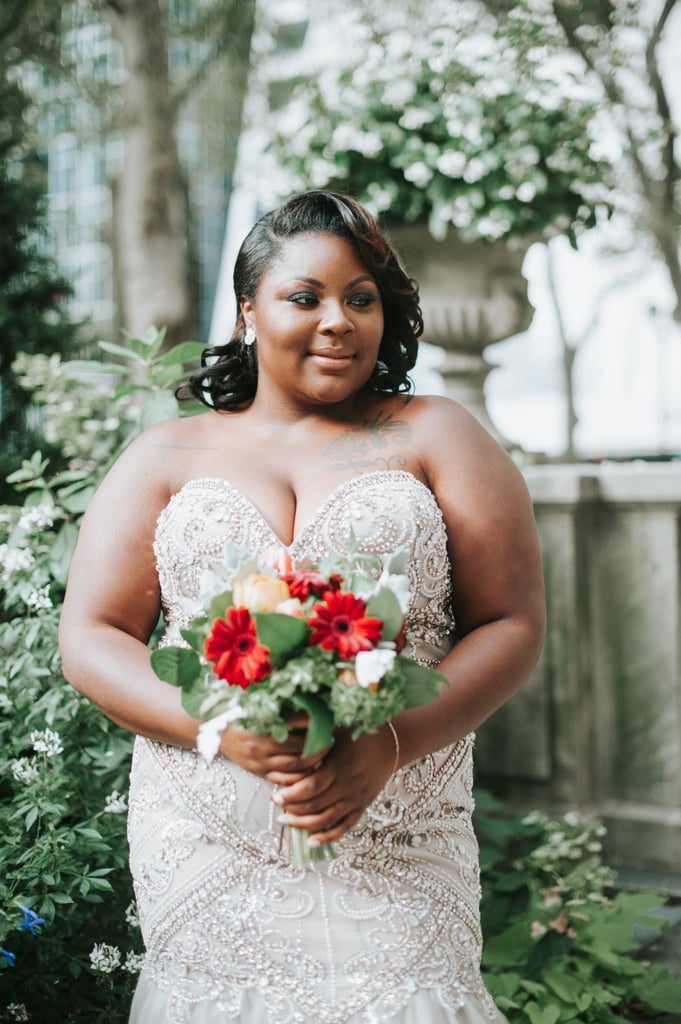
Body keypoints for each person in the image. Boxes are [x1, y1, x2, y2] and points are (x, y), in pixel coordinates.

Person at [59, 190, 546, 1024]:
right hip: (207, 832)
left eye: (363, 299)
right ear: (248, 310)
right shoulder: (163, 454)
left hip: (401, 828)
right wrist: (224, 730)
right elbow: (91, 637)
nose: (339, 321)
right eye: (305, 297)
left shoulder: (436, 435)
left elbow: (511, 622)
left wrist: (389, 743)